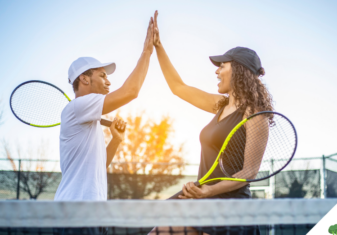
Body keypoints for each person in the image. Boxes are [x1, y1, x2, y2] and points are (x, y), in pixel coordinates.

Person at [151, 11, 273, 235]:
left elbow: (249, 172)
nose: (216, 71)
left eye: (222, 65)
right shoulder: (220, 105)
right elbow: (178, 87)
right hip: (204, 199)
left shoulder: (255, 114)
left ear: (237, 70)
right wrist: (158, 46)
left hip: (230, 209)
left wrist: (209, 191)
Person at [54, 17, 154, 202]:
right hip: (75, 212)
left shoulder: (87, 119)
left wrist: (116, 140)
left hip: (94, 212)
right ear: (84, 79)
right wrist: (147, 51)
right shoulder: (77, 107)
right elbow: (131, 91)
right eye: (102, 75)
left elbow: (98, 167)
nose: (108, 81)